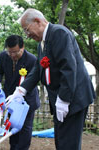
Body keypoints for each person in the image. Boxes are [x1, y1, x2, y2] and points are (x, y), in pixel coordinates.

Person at [9, 8, 96, 150]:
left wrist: (64, 99)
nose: (27, 35)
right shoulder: (42, 43)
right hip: (60, 99)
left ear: (37, 21)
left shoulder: (59, 33)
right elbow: (38, 69)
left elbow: (68, 68)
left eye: (27, 29)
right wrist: (21, 89)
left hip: (73, 98)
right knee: (61, 140)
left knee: (69, 143)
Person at [0, 35, 40, 150]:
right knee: (12, 126)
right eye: (10, 52)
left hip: (26, 101)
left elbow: (33, 81)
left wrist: (20, 93)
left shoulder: (32, 59)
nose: (12, 55)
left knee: (24, 129)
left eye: (15, 52)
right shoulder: (4, 56)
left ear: (22, 47)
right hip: (10, 100)